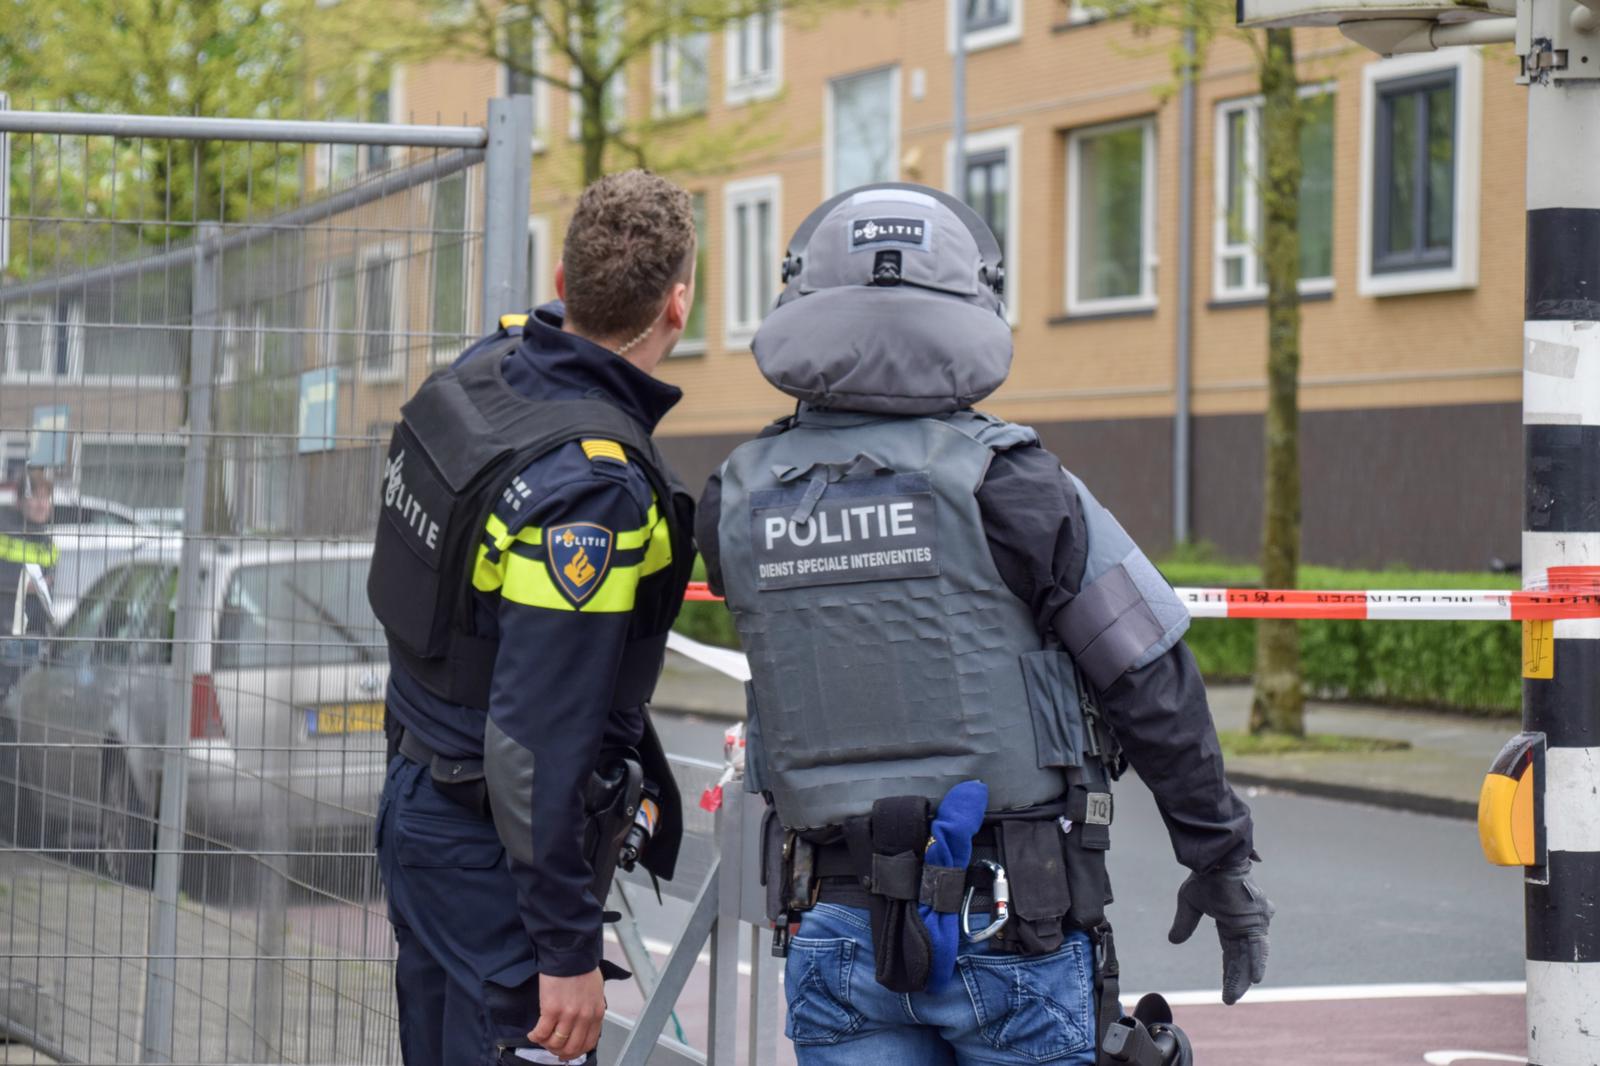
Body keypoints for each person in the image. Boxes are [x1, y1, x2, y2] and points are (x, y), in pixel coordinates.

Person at [696, 183, 1273, 1065]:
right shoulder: (1017, 485)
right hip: (1009, 920)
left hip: (832, 924)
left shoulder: (733, 499)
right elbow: (1148, 677)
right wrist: (1218, 857)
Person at [367, 170, 699, 1066]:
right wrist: (565, 949)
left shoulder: (487, 375)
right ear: (678, 304)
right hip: (493, 861)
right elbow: (535, 736)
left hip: (422, 805)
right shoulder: (593, 488)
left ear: (561, 281)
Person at [0, 467, 57, 634]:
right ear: (19, 501)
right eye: (35, 497)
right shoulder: (3, 531)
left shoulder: (48, 543)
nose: (42, 504)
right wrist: (23, 585)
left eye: (46, 498)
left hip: (35, 630)